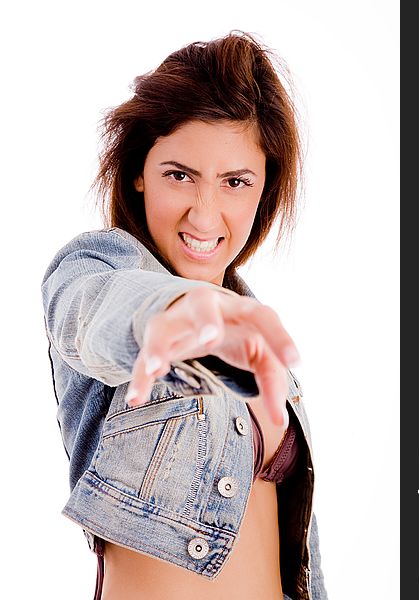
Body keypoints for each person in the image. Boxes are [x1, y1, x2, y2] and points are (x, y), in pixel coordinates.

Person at [41, 30, 327, 600]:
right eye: (180, 174)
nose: (205, 212)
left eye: (235, 182)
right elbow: (88, 313)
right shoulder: (101, 267)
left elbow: (300, 560)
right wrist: (173, 309)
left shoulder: (256, 329)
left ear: (263, 188)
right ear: (139, 170)